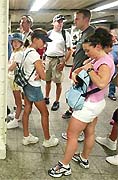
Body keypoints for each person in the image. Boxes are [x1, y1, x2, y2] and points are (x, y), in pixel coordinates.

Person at [48, 28, 115, 178]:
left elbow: (103, 83)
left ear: (97, 46)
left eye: (87, 50)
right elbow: (82, 69)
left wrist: (90, 69)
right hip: (96, 103)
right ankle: (83, 159)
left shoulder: (103, 63)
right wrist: (83, 68)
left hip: (88, 105)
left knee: (72, 135)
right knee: (89, 132)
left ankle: (64, 166)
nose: (86, 53)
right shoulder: (101, 58)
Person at [20, 29, 59, 148]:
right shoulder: (35, 55)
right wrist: (42, 69)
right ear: (35, 39)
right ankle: (47, 140)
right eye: (43, 41)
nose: (45, 44)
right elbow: (43, 76)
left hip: (26, 84)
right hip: (34, 87)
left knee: (27, 109)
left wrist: (38, 70)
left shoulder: (26, 51)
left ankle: (26, 137)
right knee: (45, 113)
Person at [61, 9, 95, 142]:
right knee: (79, 101)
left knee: (82, 103)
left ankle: (79, 132)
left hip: (84, 73)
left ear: (86, 19)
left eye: (77, 18)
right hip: (79, 71)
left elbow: (94, 54)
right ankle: (82, 132)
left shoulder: (92, 34)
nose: (75, 21)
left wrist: (83, 68)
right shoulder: (84, 33)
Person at [44, 14, 73, 111]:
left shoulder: (65, 34)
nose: (60, 24)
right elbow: (44, 47)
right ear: (53, 23)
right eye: (58, 21)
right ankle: (46, 97)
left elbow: (69, 50)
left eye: (62, 22)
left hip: (59, 60)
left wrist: (64, 62)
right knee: (47, 80)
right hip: (48, 59)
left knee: (58, 82)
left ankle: (56, 101)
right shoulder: (49, 34)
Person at [6, 33, 24, 129]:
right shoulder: (15, 52)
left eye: (18, 41)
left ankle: (16, 120)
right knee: (17, 99)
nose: (16, 43)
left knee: (18, 100)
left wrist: (5, 69)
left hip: (16, 80)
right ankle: (18, 115)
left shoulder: (19, 53)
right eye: (14, 41)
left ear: (21, 43)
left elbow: (13, 67)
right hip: (12, 79)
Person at [108, 29, 118, 101]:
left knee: (115, 79)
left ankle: (111, 93)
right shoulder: (109, 45)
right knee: (111, 79)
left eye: (112, 35)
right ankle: (111, 93)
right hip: (110, 64)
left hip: (116, 65)